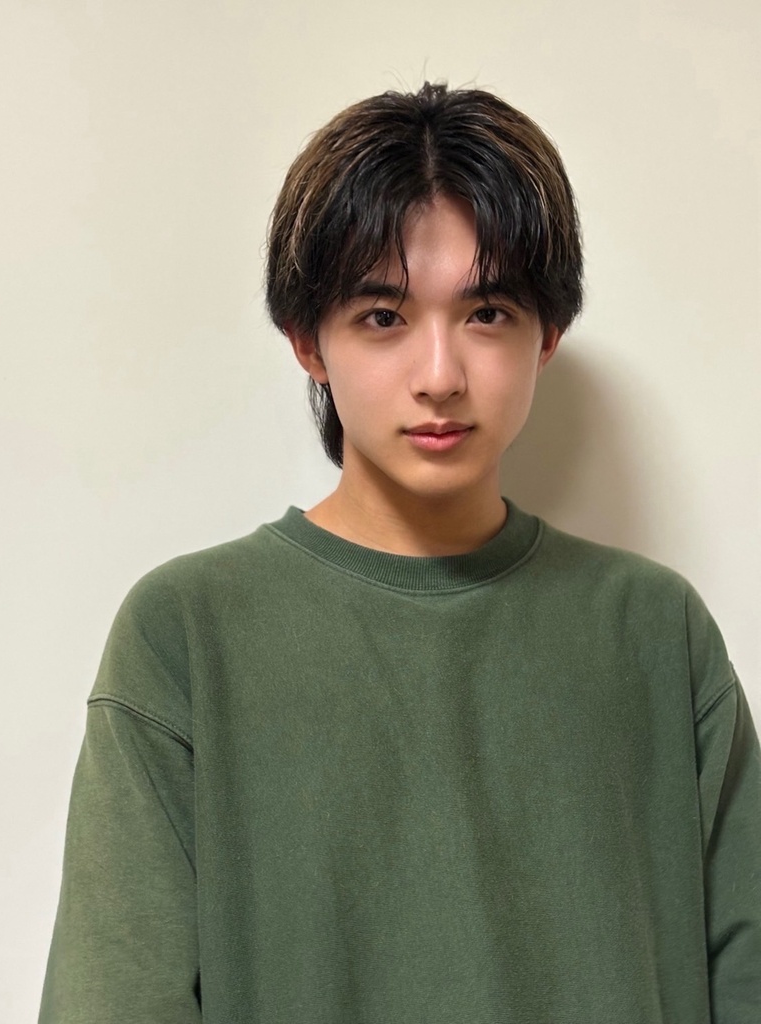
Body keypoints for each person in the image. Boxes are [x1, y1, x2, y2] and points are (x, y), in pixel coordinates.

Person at [39, 83, 760, 1023]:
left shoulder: (657, 633)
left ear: (548, 336)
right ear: (307, 342)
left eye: (487, 312)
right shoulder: (186, 635)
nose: (440, 376)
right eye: (383, 317)